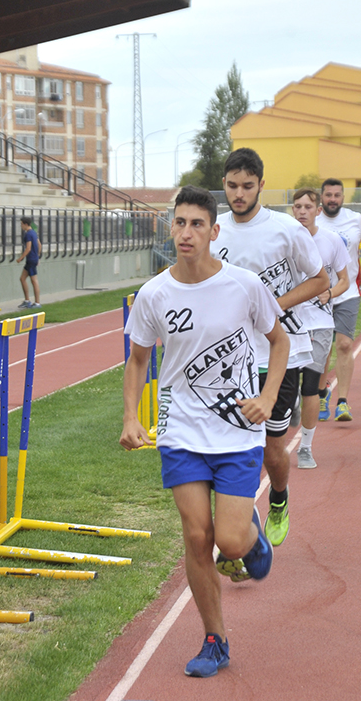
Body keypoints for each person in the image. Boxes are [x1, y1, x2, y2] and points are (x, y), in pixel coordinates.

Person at [121, 185, 287, 678]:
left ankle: (251, 540)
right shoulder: (154, 294)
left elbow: (278, 341)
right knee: (197, 537)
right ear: (169, 228)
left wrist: (268, 396)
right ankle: (215, 639)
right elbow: (137, 360)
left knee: (229, 543)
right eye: (179, 223)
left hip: (237, 431)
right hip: (180, 429)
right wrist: (131, 417)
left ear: (214, 232)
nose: (187, 232)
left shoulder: (243, 285)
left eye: (197, 224)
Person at [211, 148, 327, 546]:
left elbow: (320, 280)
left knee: (272, 448)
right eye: (231, 186)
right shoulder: (214, 230)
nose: (238, 194)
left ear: (261, 185)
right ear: (223, 185)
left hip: (281, 354)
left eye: (247, 186)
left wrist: (273, 307)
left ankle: (278, 497)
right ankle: (240, 523)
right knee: (233, 446)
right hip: (231, 359)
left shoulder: (286, 229)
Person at [291, 189, 350, 469]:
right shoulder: (285, 239)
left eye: (308, 206)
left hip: (320, 325)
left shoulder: (331, 241)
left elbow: (345, 280)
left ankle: (305, 447)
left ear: (318, 211)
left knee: (311, 387)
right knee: (286, 385)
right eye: (297, 206)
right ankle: (289, 409)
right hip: (289, 325)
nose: (302, 211)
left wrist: (330, 293)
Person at [315, 178, 361, 422]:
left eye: (337, 195)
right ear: (322, 198)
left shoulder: (355, 220)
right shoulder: (313, 221)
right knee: (321, 350)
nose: (333, 199)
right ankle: (321, 394)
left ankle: (342, 401)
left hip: (348, 293)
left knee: (343, 345)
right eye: (328, 195)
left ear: (343, 198)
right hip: (319, 295)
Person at [17, 216, 41, 308]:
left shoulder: (28, 234)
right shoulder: (34, 233)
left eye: (22, 224)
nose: (21, 226)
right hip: (33, 258)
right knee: (22, 278)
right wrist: (37, 256)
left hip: (30, 259)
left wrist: (21, 258)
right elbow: (39, 244)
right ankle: (27, 300)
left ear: (26, 224)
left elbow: (28, 248)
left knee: (34, 280)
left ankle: (37, 302)